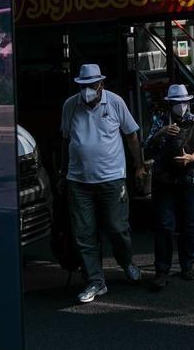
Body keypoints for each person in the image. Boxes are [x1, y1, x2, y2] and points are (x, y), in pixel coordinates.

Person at [58, 64, 148, 304]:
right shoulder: (70, 106)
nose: (88, 90)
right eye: (84, 86)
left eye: (92, 85)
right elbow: (66, 141)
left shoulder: (115, 102)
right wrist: (63, 173)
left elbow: (131, 135)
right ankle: (95, 281)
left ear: (101, 85)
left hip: (112, 178)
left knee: (117, 228)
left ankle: (126, 261)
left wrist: (138, 166)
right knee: (84, 234)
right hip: (79, 181)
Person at [143, 84, 194, 291]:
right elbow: (148, 147)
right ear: (170, 104)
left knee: (188, 224)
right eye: (177, 103)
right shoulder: (160, 120)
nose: (181, 106)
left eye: (184, 102)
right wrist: (161, 133)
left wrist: (192, 157)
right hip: (164, 179)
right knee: (164, 225)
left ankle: (188, 265)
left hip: (190, 178)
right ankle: (162, 270)